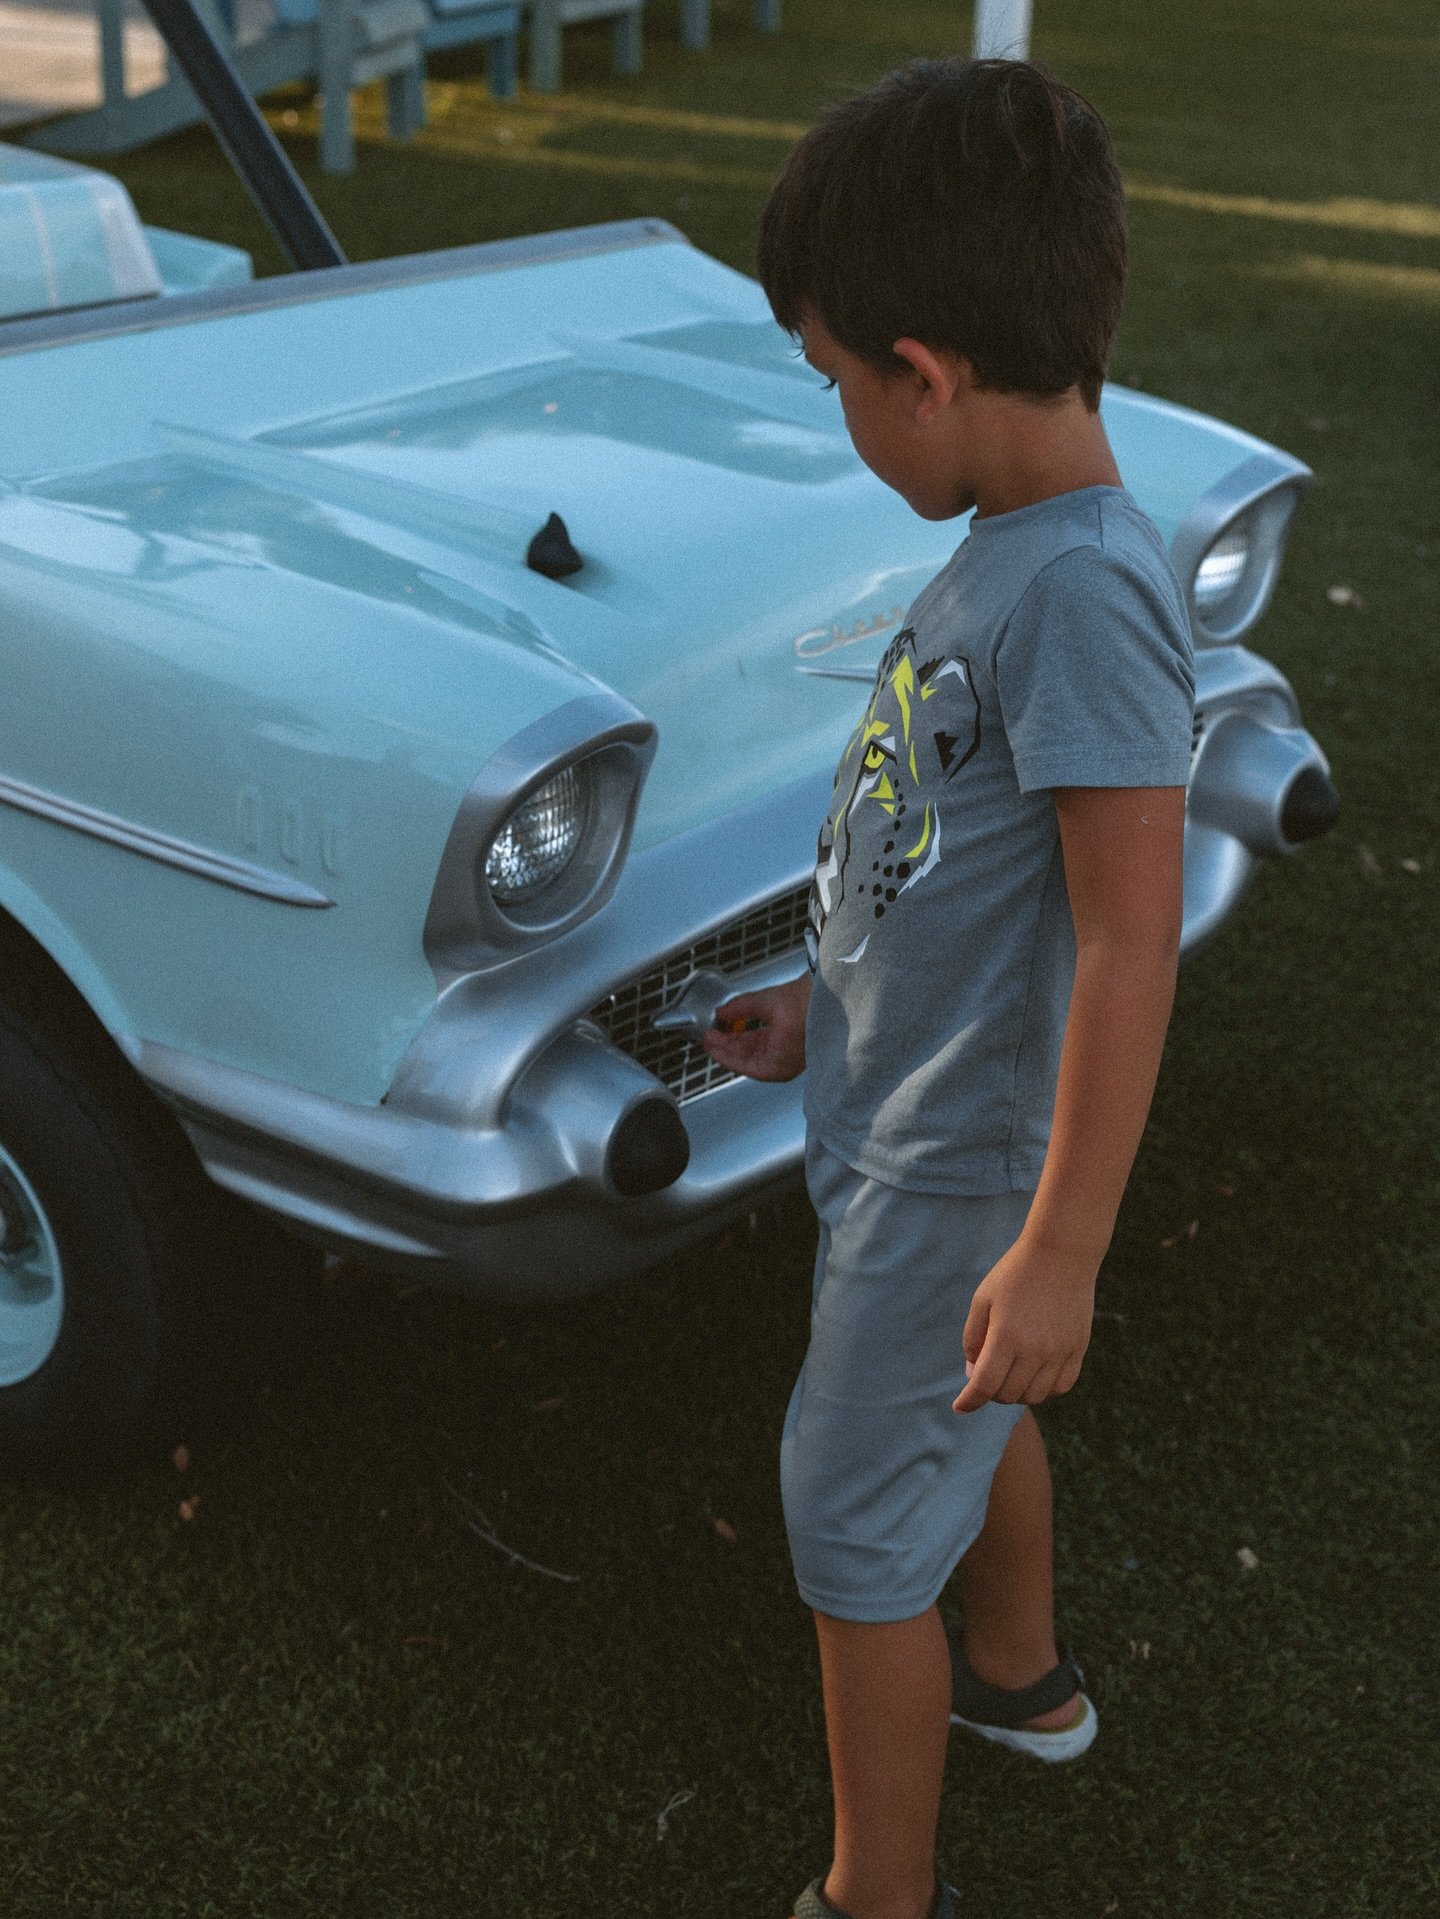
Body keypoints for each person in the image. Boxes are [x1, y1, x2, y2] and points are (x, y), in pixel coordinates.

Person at [701, 56, 1196, 1919]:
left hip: (961, 1169)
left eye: (836, 382)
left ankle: (873, 1896)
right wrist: (817, 1008)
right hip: (900, 1117)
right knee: (966, 1421)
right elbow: (943, 859)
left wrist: (1060, 1242)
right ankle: (1020, 1678)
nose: (843, 416)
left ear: (923, 370)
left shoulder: (1083, 592)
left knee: (847, 1528)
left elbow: (1128, 936)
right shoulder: (1007, 556)